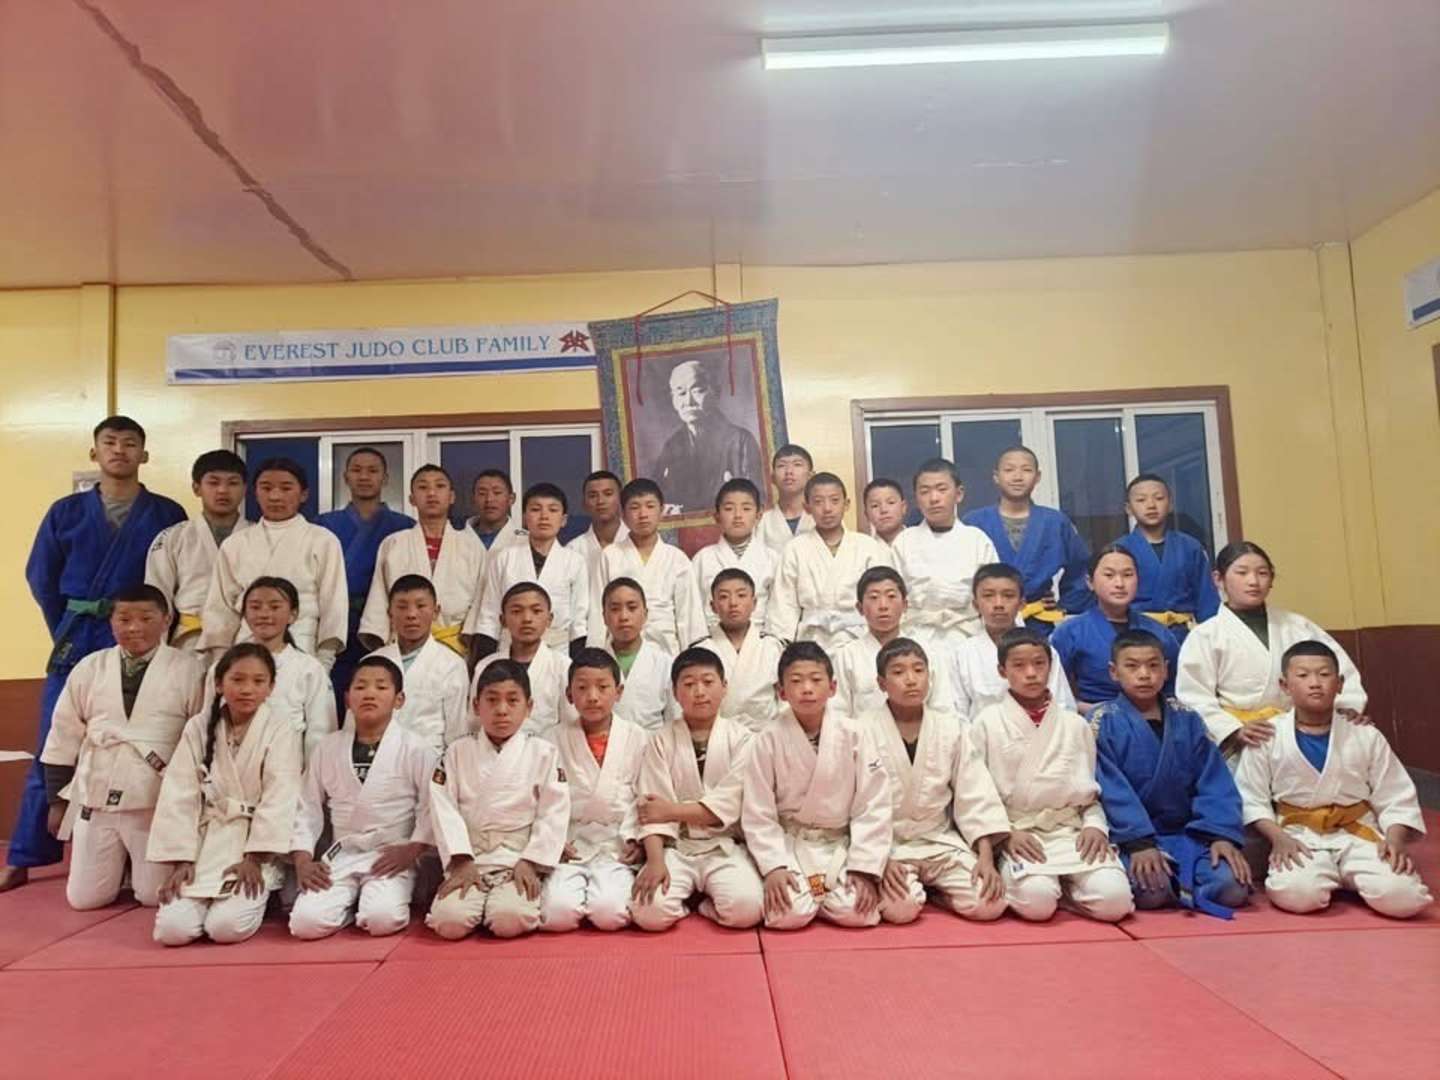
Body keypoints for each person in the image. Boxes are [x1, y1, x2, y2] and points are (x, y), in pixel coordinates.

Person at [6, 415, 187, 893]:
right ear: (95, 452)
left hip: (143, 635)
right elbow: (42, 578)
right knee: (53, 742)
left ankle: (130, 857)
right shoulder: (65, 512)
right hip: (79, 634)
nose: (120, 450)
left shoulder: (167, 513)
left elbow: (179, 576)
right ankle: (24, 854)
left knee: (146, 743)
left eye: (130, 443)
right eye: (110, 442)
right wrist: (69, 625)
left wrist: (156, 628)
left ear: (144, 454)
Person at [38, 584, 206, 910]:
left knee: (153, 896)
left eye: (146, 618)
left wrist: (190, 802)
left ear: (166, 620)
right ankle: (119, 868)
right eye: (124, 619)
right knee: (85, 899)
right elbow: (62, 735)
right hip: (96, 794)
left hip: (155, 801)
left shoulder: (190, 669)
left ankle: (134, 869)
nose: (134, 627)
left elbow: (200, 737)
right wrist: (57, 801)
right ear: (111, 622)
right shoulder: (90, 667)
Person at [1236, 641, 1431, 919]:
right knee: (1298, 894)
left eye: (1324, 674)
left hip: (1359, 833)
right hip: (1298, 836)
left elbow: (1394, 794)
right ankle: (1334, 876)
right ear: (1284, 685)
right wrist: (1278, 838)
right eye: (1303, 675)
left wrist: (1395, 839)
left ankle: (1351, 874)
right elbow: (1251, 797)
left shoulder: (1365, 734)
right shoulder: (1268, 736)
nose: (1315, 683)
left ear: (1339, 684)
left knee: (1405, 898)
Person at [971, 629, 1134, 923]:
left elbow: (1091, 793)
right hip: (1018, 831)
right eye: (1019, 665)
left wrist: (1095, 826)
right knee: (1037, 903)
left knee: (1115, 901)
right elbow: (976, 792)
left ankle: (1070, 891)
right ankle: (1057, 889)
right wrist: (1004, 835)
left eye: (1039, 663)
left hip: (1071, 831)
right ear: (1002, 671)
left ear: (1051, 666)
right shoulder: (986, 723)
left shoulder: (1075, 725)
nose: (1031, 673)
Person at [148, 644, 303, 945]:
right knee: (172, 930)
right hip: (204, 843)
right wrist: (182, 859)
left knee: (225, 928)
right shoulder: (198, 726)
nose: (247, 689)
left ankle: (260, 896)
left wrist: (255, 858)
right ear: (219, 683)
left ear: (271, 687)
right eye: (237, 680)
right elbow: (179, 793)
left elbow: (280, 795)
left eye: (258, 681)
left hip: (253, 845)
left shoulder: (281, 727)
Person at [1092, 630, 1250, 918]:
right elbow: (1109, 788)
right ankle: (1178, 884)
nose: (1144, 675)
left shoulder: (1188, 718)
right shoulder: (1102, 721)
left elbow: (1214, 780)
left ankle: (1182, 882)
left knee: (1232, 888)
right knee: (1151, 891)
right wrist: (1139, 842)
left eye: (1153, 666)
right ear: (1114, 672)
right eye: (1132, 666)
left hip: (1189, 835)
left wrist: (1220, 835)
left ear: (1166, 669)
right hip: (1133, 838)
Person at [741, 641, 892, 930]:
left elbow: (873, 803)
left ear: (832, 687)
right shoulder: (768, 739)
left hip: (839, 843)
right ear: (781, 692)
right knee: (787, 915)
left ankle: (821, 894)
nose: (807, 689)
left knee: (859, 914)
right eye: (796, 681)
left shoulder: (855, 734)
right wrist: (773, 866)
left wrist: (864, 867)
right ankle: (816, 894)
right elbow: (758, 810)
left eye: (815, 680)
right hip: (791, 844)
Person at [289, 656, 436, 939]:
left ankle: (369, 904)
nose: (369, 694)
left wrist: (413, 849)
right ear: (347, 698)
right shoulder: (327, 748)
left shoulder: (416, 748)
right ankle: (347, 911)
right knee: (305, 924)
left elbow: (431, 806)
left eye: (381, 687)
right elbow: (307, 808)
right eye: (360, 687)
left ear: (399, 699)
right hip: (343, 853)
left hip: (391, 854)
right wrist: (303, 861)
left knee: (382, 920)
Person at [866, 638, 1010, 924]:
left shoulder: (951, 727)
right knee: (901, 910)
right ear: (881, 683)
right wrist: (877, 857)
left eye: (919, 670)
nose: (911, 680)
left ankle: (940, 894)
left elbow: (974, 793)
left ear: (929, 677)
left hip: (939, 840)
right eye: (898, 672)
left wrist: (985, 857)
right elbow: (858, 804)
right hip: (889, 844)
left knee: (989, 905)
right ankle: (919, 890)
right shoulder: (862, 730)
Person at [1177, 540, 1365, 758]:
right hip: (1242, 741)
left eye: (1262, 573)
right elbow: (1193, 695)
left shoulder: (1297, 626)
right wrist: (1232, 730)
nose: (1253, 581)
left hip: (1301, 733)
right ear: (1218, 579)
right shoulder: (1206, 635)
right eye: (1242, 573)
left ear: (1272, 579)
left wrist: (1346, 707)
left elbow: (1338, 671)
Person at [426, 660, 570, 939]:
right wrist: (460, 859)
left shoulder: (543, 752)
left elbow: (554, 811)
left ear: (529, 707)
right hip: (470, 856)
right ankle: (476, 901)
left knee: (509, 919)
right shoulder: (456, 752)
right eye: (492, 700)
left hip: (519, 859)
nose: (502, 710)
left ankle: (497, 903)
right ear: (475, 705)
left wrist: (532, 861)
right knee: (449, 923)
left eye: (512, 700)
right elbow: (443, 808)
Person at [629, 648, 764, 931]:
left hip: (723, 845)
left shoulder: (743, 740)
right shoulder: (660, 740)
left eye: (708, 682)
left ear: (724, 687)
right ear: (675, 693)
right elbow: (650, 811)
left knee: (747, 909)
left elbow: (728, 806)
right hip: (676, 846)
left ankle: (703, 907)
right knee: (648, 913)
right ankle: (684, 903)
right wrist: (655, 861)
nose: (699, 692)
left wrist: (671, 810)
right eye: (689, 684)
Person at [200, 458, 347, 666]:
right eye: (266, 488)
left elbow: (334, 604)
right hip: (245, 647)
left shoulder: (323, 540)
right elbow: (220, 607)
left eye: (286, 488)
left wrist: (325, 659)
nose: (275, 496)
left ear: (303, 494)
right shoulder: (235, 543)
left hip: (303, 645)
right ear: (255, 493)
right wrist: (221, 659)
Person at [541, 649, 648, 932]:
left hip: (618, 844)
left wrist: (638, 839)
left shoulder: (638, 737)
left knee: (609, 914)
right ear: (569, 694)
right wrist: (552, 841)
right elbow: (540, 800)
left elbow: (647, 796)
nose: (592, 697)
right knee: (557, 915)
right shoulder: (551, 740)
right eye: (582, 688)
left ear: (618, 692)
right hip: (570, 845)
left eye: (602, 687)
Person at [317, 447, 415, 706]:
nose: (364, 476)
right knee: (332, 696)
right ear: (345, 477)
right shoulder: (323, 525)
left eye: (372, 471)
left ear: (385, 478)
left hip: (383, 623)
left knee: (380, 693)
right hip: (336, 620)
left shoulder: (404, 526)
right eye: (357, 470)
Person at [204, 577, 337, 765]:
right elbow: (207, 722)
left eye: (274, 607)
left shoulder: (309, 669)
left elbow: (319, 734)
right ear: (244, 614)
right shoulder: (222, 667)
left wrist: (310, 778)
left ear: (293, 615)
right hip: (228, 770)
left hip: (287, 771)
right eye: (255, 607)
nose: (264, 614)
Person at [358, 465, 485, 657]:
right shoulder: (394, 543)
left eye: (439, 486)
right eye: (423, 487)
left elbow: (481, 603)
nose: (431, 493)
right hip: (403, 646)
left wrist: (471, 645)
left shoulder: (472, 546)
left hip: (455, 647)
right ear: (412, 499)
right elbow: (379, 598)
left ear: (452, 497)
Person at [962, 446, 1091, 631]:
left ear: (1037, 477)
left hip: (1037, 623)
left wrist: (1065, 605)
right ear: (996, 476)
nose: (1017, 477)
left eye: (1026, 470)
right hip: (985, 622)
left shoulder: (1055, 522)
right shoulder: (974, 522)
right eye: (1009, 470)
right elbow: (959, 575)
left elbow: (1080, 571)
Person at [767, 472, 892, 653]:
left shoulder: (868, 546)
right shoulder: (795, 549)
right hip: (811, 642)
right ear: (807, 507)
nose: (827, 509)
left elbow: (882, 597)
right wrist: (781, 646)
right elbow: (784, 604)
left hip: (860, 638)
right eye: (818, 502)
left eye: (834, 501)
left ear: (846, 504)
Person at [1051, 545, 1179, 715]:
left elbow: (1175, 690)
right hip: (1093, 720)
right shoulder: (1069, 633)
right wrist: (1097, 712)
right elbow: (1056, 692)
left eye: (1127, 575)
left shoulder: (1160, 632)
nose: (1119, 584)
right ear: (1090, 582)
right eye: (1109, 575)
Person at [468, 482, 589, 662]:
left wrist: (576, 665)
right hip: (509, 653)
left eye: (552, 510)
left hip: (557, 654)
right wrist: (484, 663)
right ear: (524, 518)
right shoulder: (504, 558)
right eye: (536, 509)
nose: (544, 516)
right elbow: (489, 615)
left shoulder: (575, 561)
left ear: (563, 520)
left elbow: (579, 623)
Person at [145, 449, 250, 652]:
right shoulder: (173, 537)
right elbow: (156, 598)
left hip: (245, 638)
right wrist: (157, 652)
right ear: (196, 488)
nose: (223, 490)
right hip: (189, 640)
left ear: (245, 489)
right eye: (213, 482)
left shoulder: (257, 537)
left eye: (233, 483)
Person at [590, 479, 707, 653]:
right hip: (619, 649)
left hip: (667, 651)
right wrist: (595, 655)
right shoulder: (610, 555)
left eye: (650, 506)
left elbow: (689, 617)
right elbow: (597, 612)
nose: (643, 514)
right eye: (634, 507)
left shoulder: (677, 559)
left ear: (661, 510)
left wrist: (691, 659)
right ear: (623, 514)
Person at [891, 458, 998, 648]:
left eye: (941, 489)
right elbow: (892, 596)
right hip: (915, 638)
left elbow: (996, 592)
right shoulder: (904, 542)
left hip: (969, 637)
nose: (934, 498)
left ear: (959, 494)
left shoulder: (977, 540)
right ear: (916, 498)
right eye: (925, 491)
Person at [948, 564, 1075, 720]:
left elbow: (1063, 706)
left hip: (1039, 731)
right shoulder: (963, 654)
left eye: (1008, 596)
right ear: (976, 605)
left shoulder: (1042, 651)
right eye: (988, 596)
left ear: (1022, 604)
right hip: (982, 734)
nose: (998, 604)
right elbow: (958, 713)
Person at [362, 576, 470, 755]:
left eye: (421, 606)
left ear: (436, 611)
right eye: (402, 607)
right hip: (377, 759)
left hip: (430, 760)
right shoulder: (371, 663)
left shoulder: (452, 665)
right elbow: (357, 723)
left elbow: (457, 732)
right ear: (390, 613)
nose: (411, 614)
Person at [1112, 474, 1220, 645]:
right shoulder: (1119, 550)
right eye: (1141, 500)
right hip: (1135, 636)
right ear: (1128, 509)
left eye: (1159, 498)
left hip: (1183, 637)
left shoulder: (1190, 547)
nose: (1151, 505)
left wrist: (1212, 640)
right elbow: (1109, 601)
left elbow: (1207, 600)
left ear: (1170, 504)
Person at [832, 567, 952, 718]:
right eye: (874, 597)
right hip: (863, 732)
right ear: (860, 608)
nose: (883, 605)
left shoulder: (927, 651)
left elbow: (943, 708)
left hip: (921, 732)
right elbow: (838, 712)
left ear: (905, 604)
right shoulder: (847, 655)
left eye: (891, 596)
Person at [655, 358, 764, 515]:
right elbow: (656, 499)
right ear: (673, 399)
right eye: (681, 393)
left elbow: (757, 502)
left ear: (716, 392)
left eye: (697, 390)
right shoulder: (672, 446)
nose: (688, 401)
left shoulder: (740, 441)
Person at [470, 583, 577, 736]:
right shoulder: (485, 666)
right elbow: (475, 724)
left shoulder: (562, 666)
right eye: (516, 611)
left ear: (549, 619)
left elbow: (571, 724)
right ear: (502, 620)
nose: (527, 619)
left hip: (548, 749)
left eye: (536, 611)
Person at [699, 569, 782, 731]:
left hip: (767, 734)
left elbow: (785, 700)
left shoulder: (772, 647)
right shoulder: (702, 649)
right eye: (724, 597)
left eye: (741, 595)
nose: (733, 603)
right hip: (718, 734)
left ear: (754, 603)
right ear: (713, 606)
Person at [692, 478, 776, 633]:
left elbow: (780, 611)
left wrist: (770, 643)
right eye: (729, 509)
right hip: (713, 639)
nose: (738, 515)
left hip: (761, 639)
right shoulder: (702, 559)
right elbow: (693, 612)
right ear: (717, 516)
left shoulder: (772, 559)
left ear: (759, 514)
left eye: (746, 508)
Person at [598, 578, 678, 731]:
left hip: (653, 743)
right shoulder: (592, 666)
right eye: (615, 609)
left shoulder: (664, 663)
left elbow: (674, 720)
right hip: (607, 743)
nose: (624, 616)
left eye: (632, 608)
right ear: (604, 617)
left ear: (645, 614)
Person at [565, 470, 628, 580]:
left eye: (608, 494)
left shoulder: (638, 542)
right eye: (593, 496)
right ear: (584, 503)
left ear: (621, 499)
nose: (600, 501)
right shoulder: (573, 550)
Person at [756, 444, 816, 556]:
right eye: (781, 465)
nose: (789, 471)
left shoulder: (822, 517)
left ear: (810, 476)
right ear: (772, 478)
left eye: (797, 464)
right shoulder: (761, 522)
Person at [466, 469, 526, 552]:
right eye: (482, 493)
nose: (489, 499)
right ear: (473, 499)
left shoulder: (527, 541)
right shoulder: (456, 539)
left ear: (511, 499)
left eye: (497, 493)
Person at [862, 478, 908, 553]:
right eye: (875, 505)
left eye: (891, 502)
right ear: (866, 514)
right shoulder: (864, 551)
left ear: (903, 507)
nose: (883, 510)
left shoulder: (921, 542)